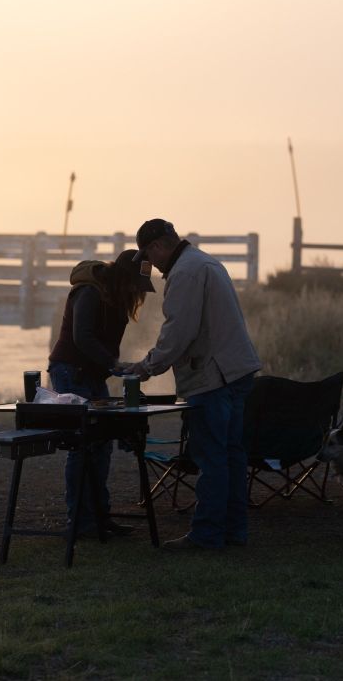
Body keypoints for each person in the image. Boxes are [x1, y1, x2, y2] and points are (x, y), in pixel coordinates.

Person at [118, 218, 262, 550]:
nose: (151, 266)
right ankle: (233, 531)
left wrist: (146, 367)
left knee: (211, 458)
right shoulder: (207, 262)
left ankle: (207, 535)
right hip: (237, 370)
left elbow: (177, 333)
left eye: (149, 258)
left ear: (156, 247)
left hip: (213, 377)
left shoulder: (184, 274)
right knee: (231, 456)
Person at [47, 248, 154, 536]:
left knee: (102, 444)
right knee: (83, 446)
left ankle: (99, 517)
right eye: (135, 284)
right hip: (70, 373)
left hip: (92, 375)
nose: (137, 291)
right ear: (122, 277)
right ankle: (82, 522)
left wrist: (114, 367)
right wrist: (113, 364)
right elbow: (82, 337)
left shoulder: (115, 299)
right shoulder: (90, 293)